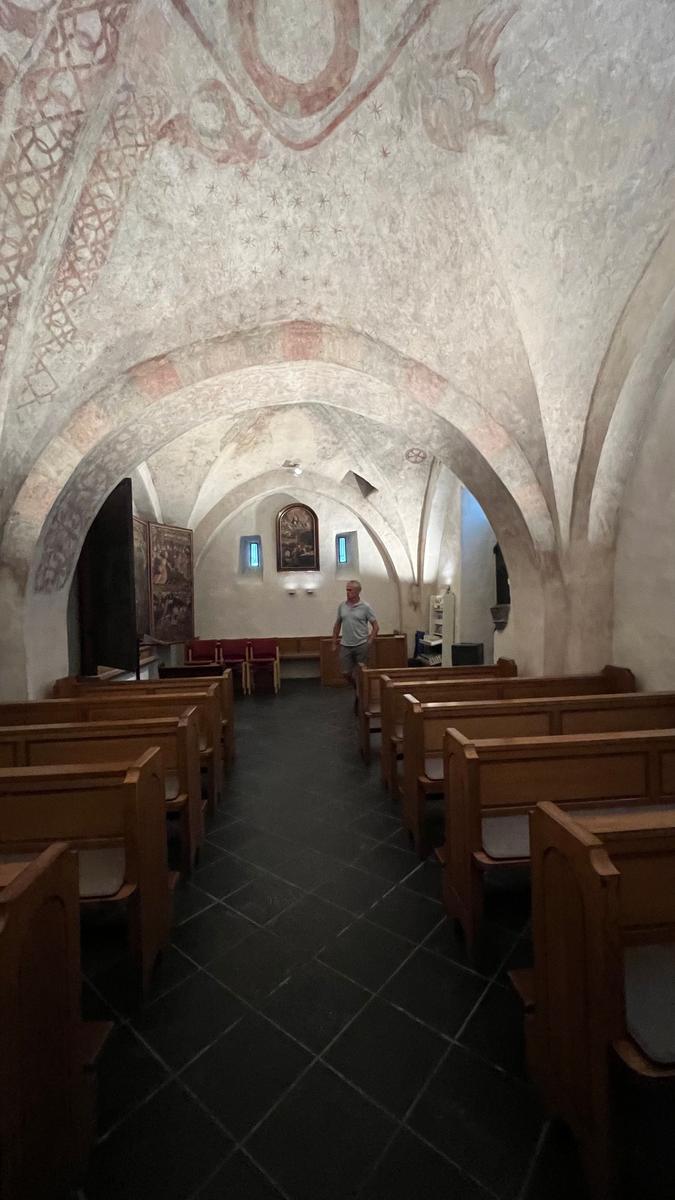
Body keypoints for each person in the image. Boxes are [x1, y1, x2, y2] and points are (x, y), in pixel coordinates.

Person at [332, 580, 379, 687]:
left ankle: (361, 694)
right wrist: (334, 642)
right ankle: (356, 686)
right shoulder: (342, 606)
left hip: (361, 644)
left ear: (357, 592)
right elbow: (337, 625)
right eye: (346, 590)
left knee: (362, 672)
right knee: (345, 672)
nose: (347, 592)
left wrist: (369, 641)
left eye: (350, 590)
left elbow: (376, 626)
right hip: (345, 645)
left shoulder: (365, 607)